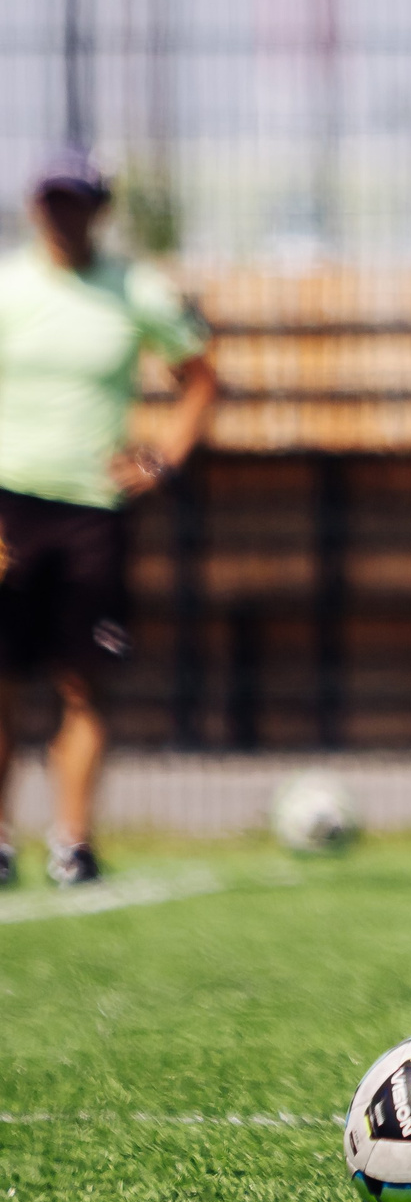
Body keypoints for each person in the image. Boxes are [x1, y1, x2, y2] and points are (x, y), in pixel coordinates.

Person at [0, 150, 217, 887]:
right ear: (35, 208)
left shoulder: (137, 289)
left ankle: (73, 843)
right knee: (1, 680)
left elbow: (200, 377)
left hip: (92, 510)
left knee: (83, 681)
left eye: (76, 202)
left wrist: (162, 459)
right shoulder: (10, 287)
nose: (63, 216)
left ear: (99, 211)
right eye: (52, 201)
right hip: (8, 507)